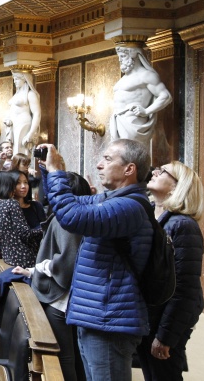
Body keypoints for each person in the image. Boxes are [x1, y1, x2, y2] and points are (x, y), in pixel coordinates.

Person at [40, 139, 154, 381]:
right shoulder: (111, 200)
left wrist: (57, 172)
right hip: (97, 314)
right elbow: (65, 206)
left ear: (129, 169)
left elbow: (72, 217)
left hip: (109, 319)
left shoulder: (129, 207)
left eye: (108, 159)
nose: (99, 165)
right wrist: (47, 170)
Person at [13, 170, 92, 381]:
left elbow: (66, 265)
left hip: (61, 300)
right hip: (73, 298)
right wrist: (33, 270)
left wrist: (41, 267)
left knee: (65, 357)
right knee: (76, 355)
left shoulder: (67, 219)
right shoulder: (84, 214)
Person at [136, 161, 204, 381]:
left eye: (163, 171)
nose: (154, 172)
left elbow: (185, 290)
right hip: (151, 317)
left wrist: (165, 337)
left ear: (177, 187)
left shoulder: (183, 226)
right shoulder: (154, 218)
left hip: (164, 322)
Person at [110, 44, 172, 153]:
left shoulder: (146, 75)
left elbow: (166, 96)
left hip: (132, 121)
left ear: (134, 55)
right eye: (119, 56)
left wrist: (146, 111)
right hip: (117, 120)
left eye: (123, 56)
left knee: (129, 156)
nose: (119, 60)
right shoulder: (124, 78)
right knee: (117, 156)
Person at [0, 171, 43, 268]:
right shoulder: (12, 204)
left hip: (8, 260)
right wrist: (46, 229)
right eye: (13, 184)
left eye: (26, 182)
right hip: (26, 261)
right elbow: (25, 234)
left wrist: (7, 254)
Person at [4, 69, 41, 156]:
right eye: (14, 78)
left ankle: (21, 169)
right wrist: (7, 119)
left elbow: (37, 114)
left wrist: (31, 133)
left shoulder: (30, 94)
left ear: (24, 78)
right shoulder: (16, 95)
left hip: (23, 124)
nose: (14, 81)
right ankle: (15, 168)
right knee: (12, 150)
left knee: (20, 151)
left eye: (17, 78)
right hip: (13, 125)